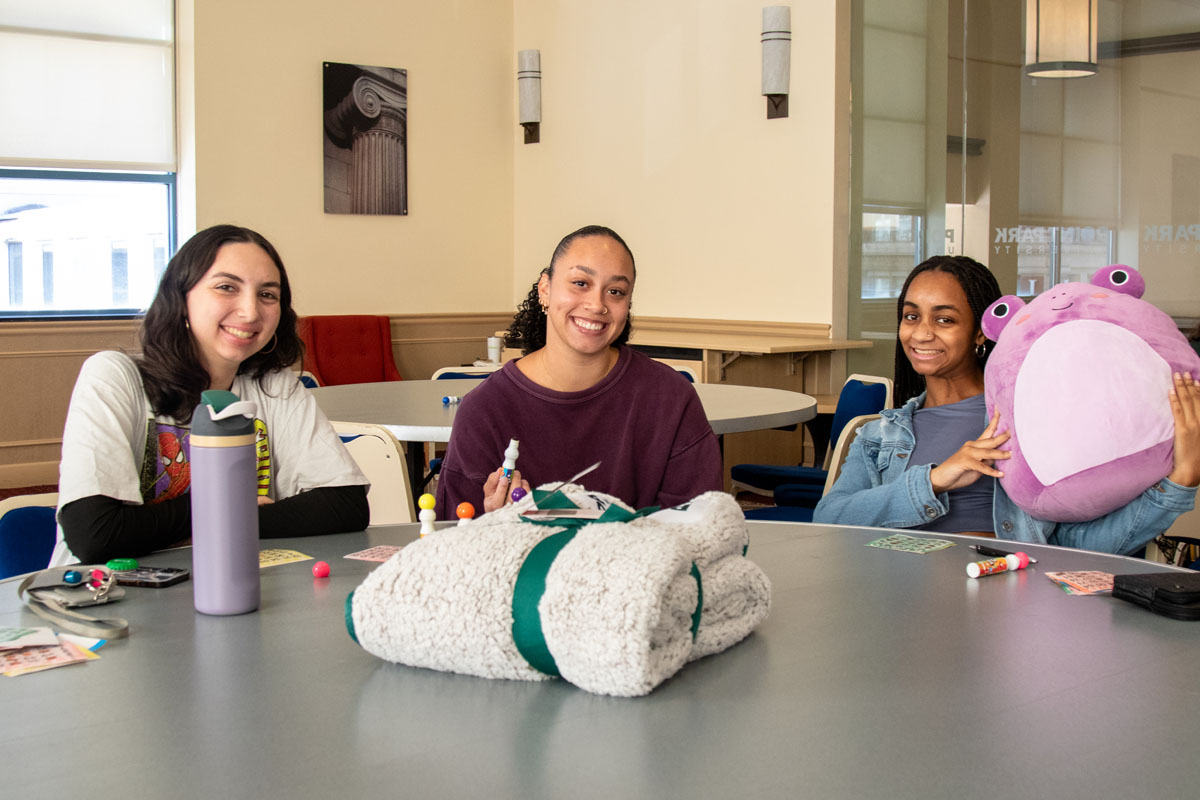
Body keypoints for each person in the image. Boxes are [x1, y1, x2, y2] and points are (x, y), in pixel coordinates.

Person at [814, 255, 1200, 555]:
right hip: (896, 591)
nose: (922, 333)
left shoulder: (1031, 420)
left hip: (1001, 595)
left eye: (944, 320)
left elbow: (1079, 548)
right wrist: (935, 480)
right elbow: (829, 519)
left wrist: (1181, 480)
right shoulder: (881, 433)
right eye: (911, 316)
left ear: (981, 332)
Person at [53, 225, 369, 565]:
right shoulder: (113, 375)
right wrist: (232, 508)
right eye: (226, 287)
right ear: (181, 298)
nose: (250, 312)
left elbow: (345, 506)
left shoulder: (276, 386)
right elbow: (96, 534)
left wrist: (184, 522)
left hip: (234, 581)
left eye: (267, 294)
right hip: (103, 591)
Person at [434, 224, 722, 518]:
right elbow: (453, 535)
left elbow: (701, 527)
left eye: (615, 291)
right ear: (545, 289)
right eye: (580, 283)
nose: (597, 305)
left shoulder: (670, 399)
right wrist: (494, 524)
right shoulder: (484, 410)